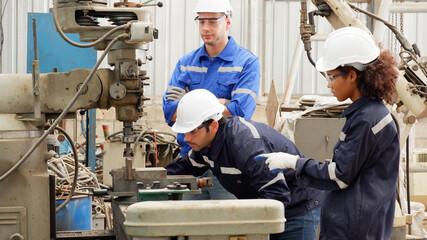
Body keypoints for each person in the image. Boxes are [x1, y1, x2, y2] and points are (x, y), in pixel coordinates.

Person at [257, 27, 400, 240]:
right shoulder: (368, 114)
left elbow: (339, 176)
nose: (328, 84)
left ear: (352, 75)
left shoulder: (366, 121)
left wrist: (295, 163)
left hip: (354, 231)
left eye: (332, 76)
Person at [166, 89, 324, 240]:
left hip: (297, 209)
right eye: (184, 132)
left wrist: (252, 229)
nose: (186, 139)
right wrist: (150, 177)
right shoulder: (204, 147)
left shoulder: (245, 145)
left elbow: (277, 195)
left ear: (213, 126)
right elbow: (183, 168)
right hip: (270, 206)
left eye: (192, 131)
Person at [162, 0, 260, 157]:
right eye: (201, 22)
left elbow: (241, 112)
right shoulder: (186, 63)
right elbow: (170, 111)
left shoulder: (247, 63)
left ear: (227, 22)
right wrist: (221, 104)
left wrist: (188, 105)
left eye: (213, 22)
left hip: (228, 159)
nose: (205, 28)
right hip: (189, 156)